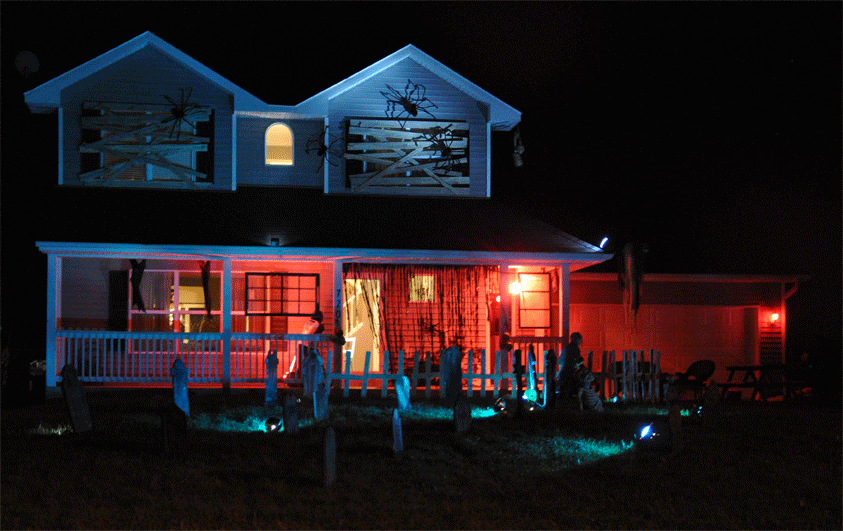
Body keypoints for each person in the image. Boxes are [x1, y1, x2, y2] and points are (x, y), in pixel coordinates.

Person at [557, 332, 583, 404]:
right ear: (575, 339)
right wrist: (581, 362)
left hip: (563, 373)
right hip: (570, 373)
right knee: (569, 393)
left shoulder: (566, 348)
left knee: (563, 392)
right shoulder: (575, 349)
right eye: (579, 339)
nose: (580, 341)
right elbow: (577, 361)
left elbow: (559, 361)